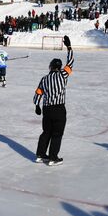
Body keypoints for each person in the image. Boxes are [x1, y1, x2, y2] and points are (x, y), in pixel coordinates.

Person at [33, 35, 74, 166]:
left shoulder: (45, 78)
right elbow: (71, 62)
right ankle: (52, 158)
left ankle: (40, 155)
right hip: (59, 109)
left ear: (50, 67)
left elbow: (38, 93)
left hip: (47, 109)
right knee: (57, 133)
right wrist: (69, 47)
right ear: (59, 67)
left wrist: (37, 106)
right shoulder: (63, 74)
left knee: (46, 132)